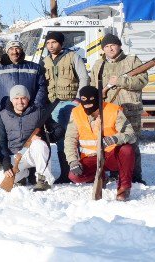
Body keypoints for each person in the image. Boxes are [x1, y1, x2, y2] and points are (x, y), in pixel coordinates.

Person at [89, 33, 148, 184]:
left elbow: (142, 80)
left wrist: (121, 81)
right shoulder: (98, 64)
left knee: (131, 144)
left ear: (119, 46)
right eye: (106, 46)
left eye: (112, 45)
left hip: (130, 110)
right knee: (113, 143)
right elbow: (94, 87)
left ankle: (135, 178)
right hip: (110, 112)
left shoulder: (132, 60)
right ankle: (116, 174)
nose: (110, 49)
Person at [64, 86, 136, 201]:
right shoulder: (76, 112)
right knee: (74, 176)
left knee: (127, 149)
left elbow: (131, 135)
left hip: (111, 155)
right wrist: (73, 161)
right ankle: (100, 177)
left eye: (91, 100)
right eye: (84, 100)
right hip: (91, 158)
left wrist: (114, 139)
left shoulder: (113, 110)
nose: (87, 104)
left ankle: (124, 188)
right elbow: (70, 139)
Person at [40, 31, 90, 183]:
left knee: (73, 137)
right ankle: (65, 174)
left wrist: (78, 100)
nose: (50, 46)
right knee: (60, 137)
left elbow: (83, 77)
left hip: (70, 103)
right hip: (53, 105)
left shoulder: (73, 57)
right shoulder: (44, 61)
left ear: (61, 43)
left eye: (53, 42)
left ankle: (80, 171)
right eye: (48, 43)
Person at [0, 85, 62, 191]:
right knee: (0, 178)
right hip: (15, 156)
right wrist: (6, 163)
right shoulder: (2, 115)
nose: (20, 101)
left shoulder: (39, 112)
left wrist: (46, 136)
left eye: (23, 98)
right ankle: (24, 173)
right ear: (12, 100)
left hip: (32, 152)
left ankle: (43, 180)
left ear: (28, 98)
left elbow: (56, 131)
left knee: (39, 144)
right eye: (16, 98)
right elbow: (2, 141)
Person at [0, 40, 47, 111]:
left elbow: (42, 87)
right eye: (11, 49)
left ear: (22, 50)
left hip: (30, 110)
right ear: (7, 52)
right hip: (6, 111)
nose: (15, 52)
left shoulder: (35, 68)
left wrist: (37, 105)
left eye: (17, 48)